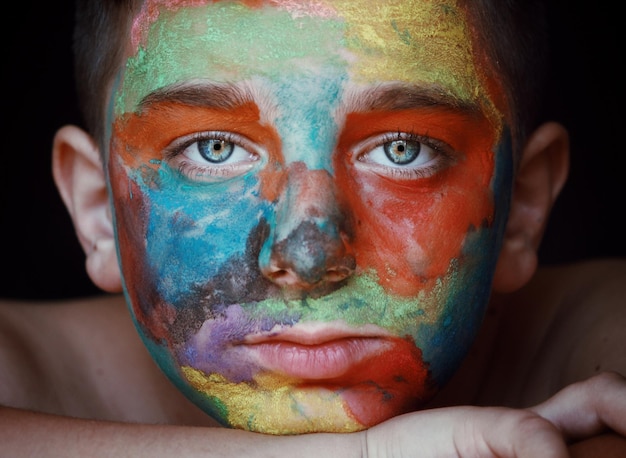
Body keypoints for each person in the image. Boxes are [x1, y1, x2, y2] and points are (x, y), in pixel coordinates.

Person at [1, 0, 625, 456]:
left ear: (521, 206)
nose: (306, 253)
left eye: (403, 149)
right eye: (214, 149)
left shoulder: (598, 338)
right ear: (95, 208)